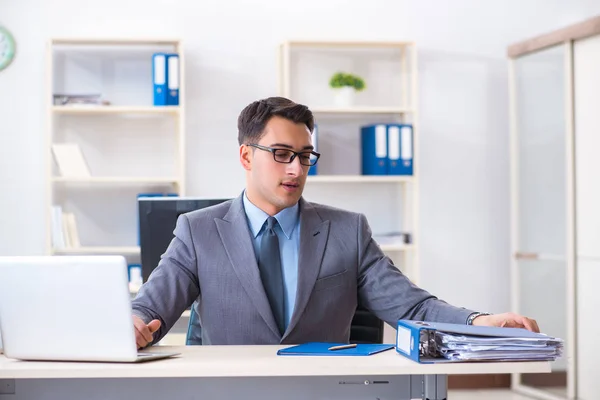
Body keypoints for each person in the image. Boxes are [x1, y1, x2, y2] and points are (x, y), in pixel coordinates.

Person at [131, 96, 539, 349]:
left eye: (305, 155)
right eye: (281, 153)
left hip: (323, 390)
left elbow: (411, 306)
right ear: (245, 156)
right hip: (232, 390)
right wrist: (131, 324)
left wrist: (478, 322)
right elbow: (150, 307)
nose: (296, 168)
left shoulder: (347, 230)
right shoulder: (199, 230)